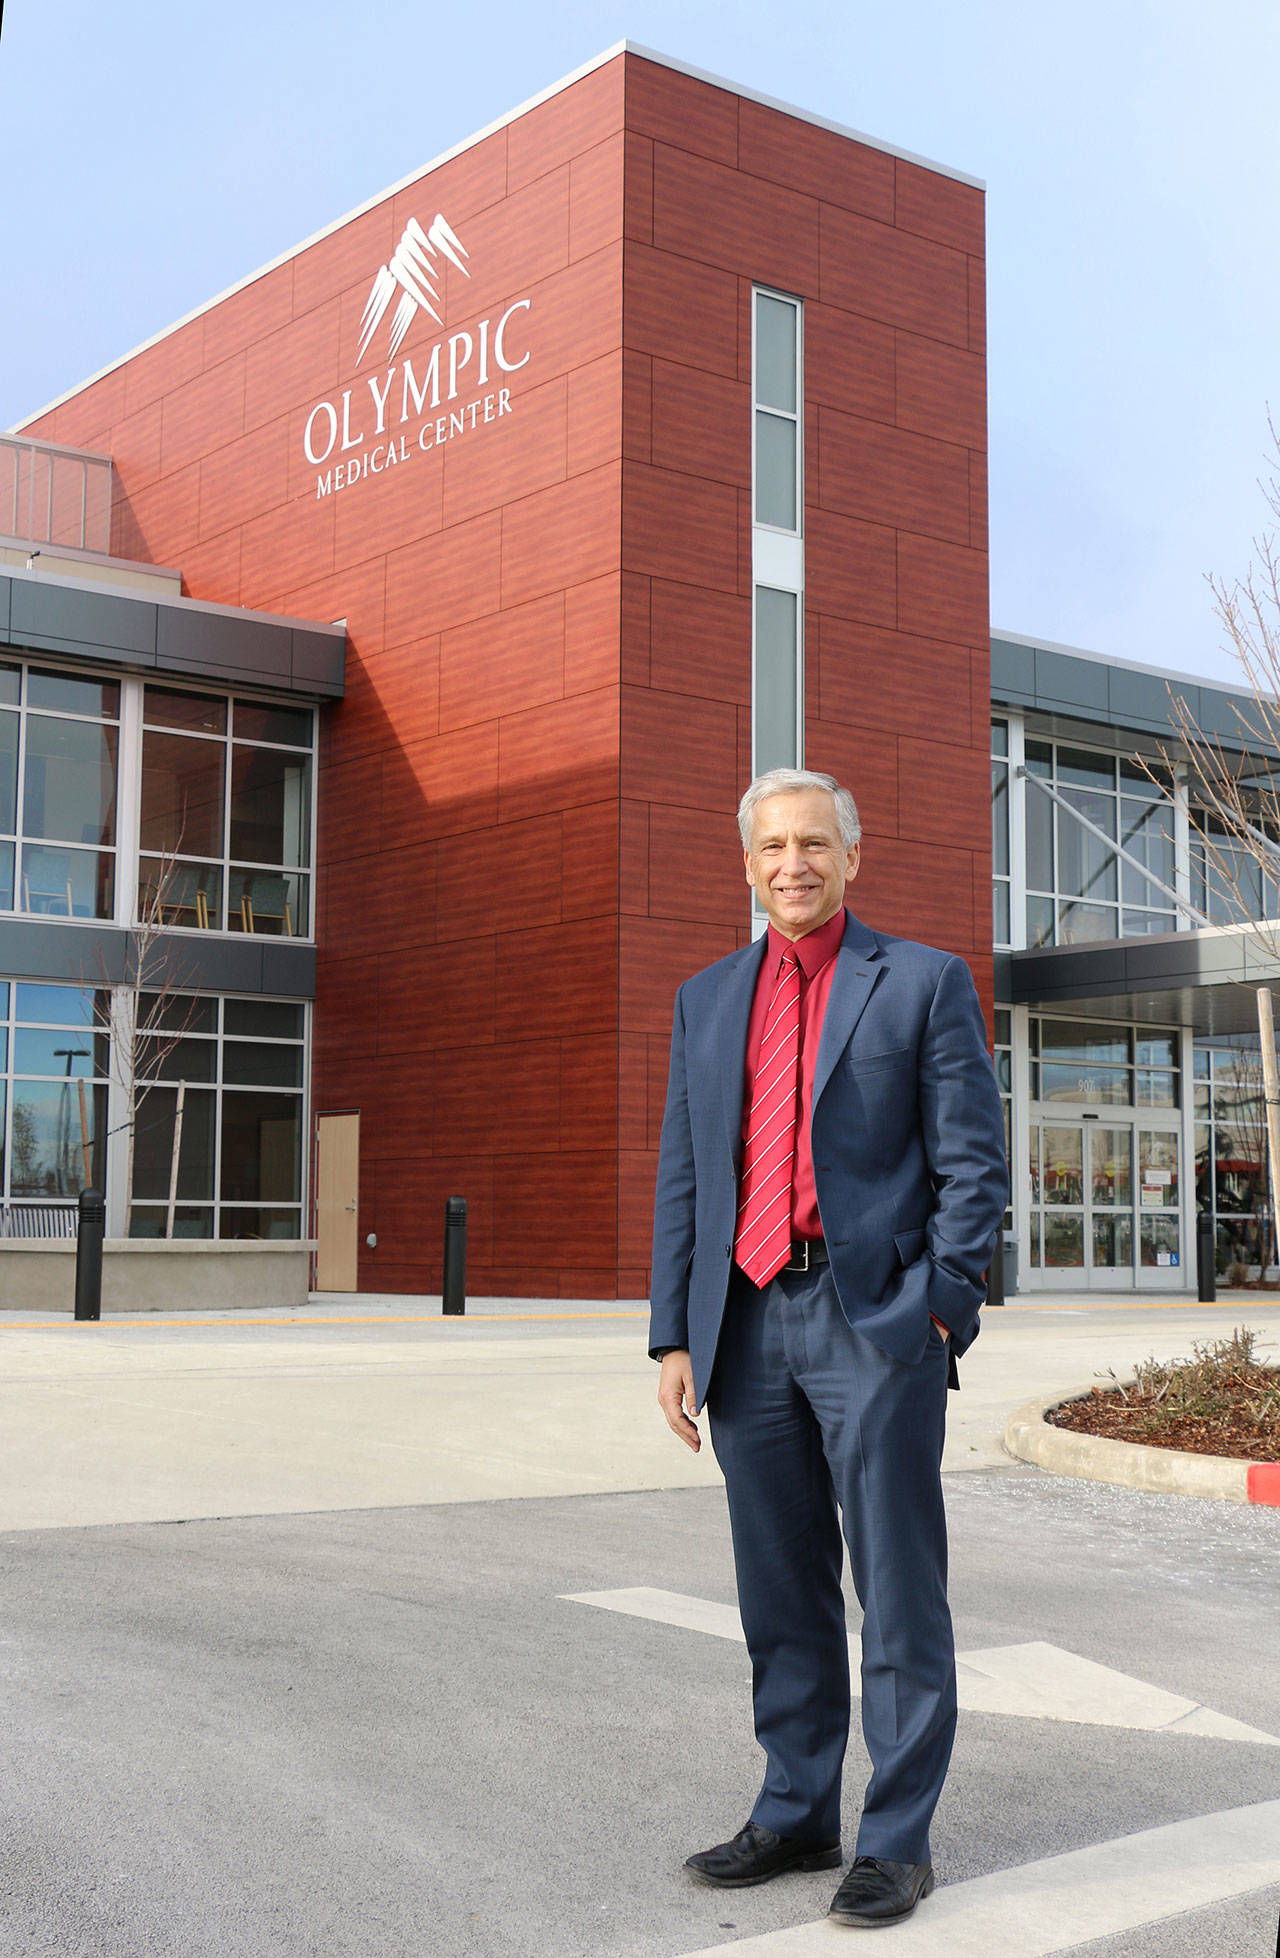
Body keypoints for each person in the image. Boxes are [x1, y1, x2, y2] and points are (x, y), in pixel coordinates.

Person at [649, 767, 1007, 1929]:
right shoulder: (706, 997)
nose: (791, 862)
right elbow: (686, 1175)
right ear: (746, 864)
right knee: (778, 1584)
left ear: (851, 857)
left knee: (895, 1587)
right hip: (744, 1320)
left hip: (874, 1322)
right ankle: (797, 1807)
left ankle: (894, 1838)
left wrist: (937, 1307)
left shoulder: (920, 981)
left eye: (812, 842)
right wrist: (672, 1333)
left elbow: (972, 1164)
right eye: (771, 845)